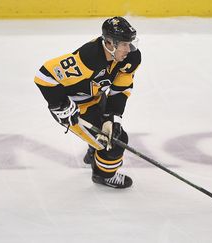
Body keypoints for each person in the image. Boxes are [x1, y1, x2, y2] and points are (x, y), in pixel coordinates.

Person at [34, 16, 141, 189]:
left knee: (112, 130)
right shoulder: (89, 58)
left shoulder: (131, 57)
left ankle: (93, 150)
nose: (129, 49)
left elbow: (120, 91)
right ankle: (103, 175)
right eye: (124, 44)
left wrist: (112, 117)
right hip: (76, 107)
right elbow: (44, 76)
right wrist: (60, 105)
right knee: (114, 145)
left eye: (130, 43)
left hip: (98, 98)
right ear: (109, 43)